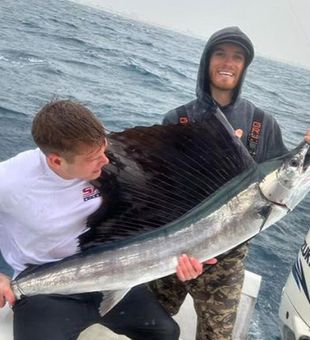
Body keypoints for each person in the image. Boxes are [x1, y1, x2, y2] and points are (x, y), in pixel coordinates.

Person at [149, 26, 310, 340]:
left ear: (245, 66)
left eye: (237, 57)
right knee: (148, 329)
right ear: (207, 60)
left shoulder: (262, 124)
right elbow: (158, 190)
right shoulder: (176, 119)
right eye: (220, 53)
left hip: (227, 261)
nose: (228, 62)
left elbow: (287, 179)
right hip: (176, 251)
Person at [0, 100, 180, 340]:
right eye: (93, 158)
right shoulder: (11, 180)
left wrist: (184, 250)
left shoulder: (112, 160)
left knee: (165, 332)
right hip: (46, 288)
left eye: (103, 149)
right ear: (56, 161)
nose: (105, 160)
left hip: (110, 274)